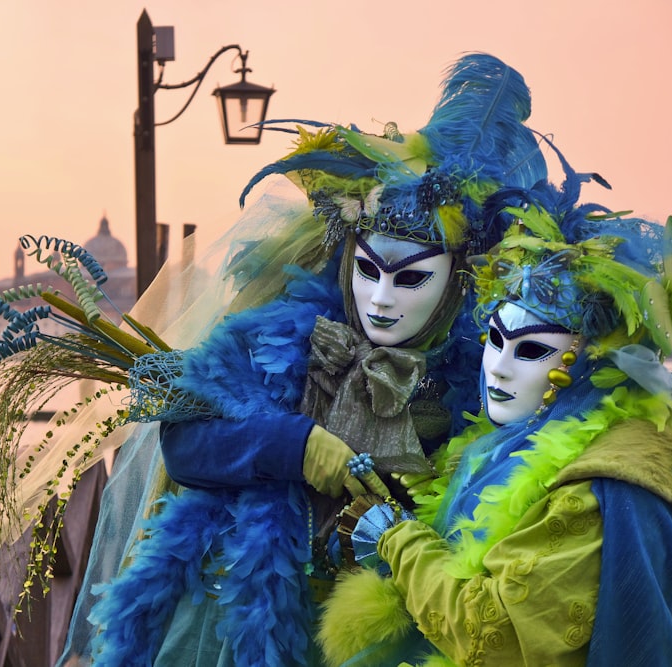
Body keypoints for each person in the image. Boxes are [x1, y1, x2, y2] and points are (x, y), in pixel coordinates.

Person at [69, 53, 548, 666]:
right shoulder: (279, 330)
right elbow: (185, 444)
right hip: (247, 617)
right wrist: (299, 447)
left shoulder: (490, 373)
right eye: (368, 271)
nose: (379, 300)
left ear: (457, 282)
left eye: (411, 280)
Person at [320, 172, 672, 666]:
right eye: (493, 340)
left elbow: (490, 634)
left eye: (533, 350)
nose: (497, 367)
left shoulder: (603, 486)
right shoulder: (521, 442)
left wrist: (393, 537)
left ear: (590, 364)